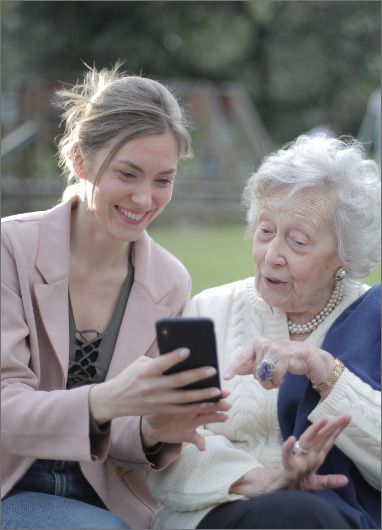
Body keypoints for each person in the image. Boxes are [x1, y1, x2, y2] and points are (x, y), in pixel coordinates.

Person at [1, 62, 231, 530]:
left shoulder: (170, 279)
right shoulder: (10, 249)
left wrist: (153, 429)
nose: (145, 199)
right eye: (128, 174)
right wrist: (105, 399)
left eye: (163, 179)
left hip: (109, 499)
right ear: (80, 160)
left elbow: (124, 434)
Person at [147, 134, 381, 529]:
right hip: (219, 512)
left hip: (340, 517)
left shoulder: (372, 317)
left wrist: (324, 371)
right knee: (296, 513)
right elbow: (168, 442)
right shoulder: (209, 309)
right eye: (266, 231)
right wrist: (262, 480)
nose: (272, 256)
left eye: (298, 241)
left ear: (346, 254)